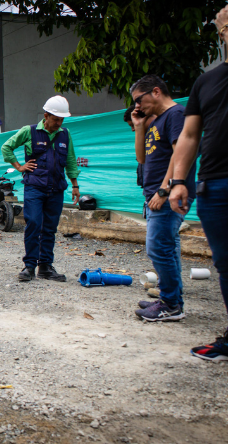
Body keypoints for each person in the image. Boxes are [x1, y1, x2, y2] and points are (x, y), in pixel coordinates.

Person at [169, 3, 228, 358]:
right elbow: (190, 137)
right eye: (224, 27)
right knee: (224, 263)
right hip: (216, 184)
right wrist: (178, 181)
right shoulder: (207, 81)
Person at [130, 74, 196, 322]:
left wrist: (164, 189)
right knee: (167, 247)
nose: (137, 106)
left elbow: (180, 152)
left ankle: (170, 304)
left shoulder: (176, 115)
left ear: (156, 91)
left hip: (167, 196)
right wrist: (139, 127)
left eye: (139, 99)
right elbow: (142, 158)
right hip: (156, 194)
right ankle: (172, 299)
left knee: (158, 247)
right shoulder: (156, 122)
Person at [1, 96, 81, 282]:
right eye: (56, 119)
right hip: (34, 188)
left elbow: (70, 160)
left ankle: (45, 267)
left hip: (56, 188)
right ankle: (29, 266)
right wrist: (19, 166)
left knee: (50, 228)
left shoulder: (65, 134)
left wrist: (75, 185)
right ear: (46, 116)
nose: (59, 123)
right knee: (34, 224)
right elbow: (7, 147)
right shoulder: (28, 132)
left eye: (62, 120)